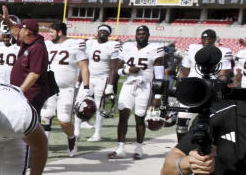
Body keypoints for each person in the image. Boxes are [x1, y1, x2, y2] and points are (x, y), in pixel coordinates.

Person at [110, 25, 163, 160]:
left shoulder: (155, 48)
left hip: (145, 87)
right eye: (139, 33)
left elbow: (159, 75)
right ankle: (120, 148)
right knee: (123, 117)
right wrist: (127, 71)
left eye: (144, 34)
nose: (141, 36)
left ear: (148, 35)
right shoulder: (127, 47)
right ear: (135, 35)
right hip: (128, 85)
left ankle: (139, 149)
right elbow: (117, 70)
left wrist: (158, 96)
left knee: (139, 118)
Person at [42, 22, 89, 156]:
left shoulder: (75, 44)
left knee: (64, 120)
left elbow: (84, 67)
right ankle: (43, 148)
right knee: (45, 117)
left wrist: (86, 87)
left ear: (60, 32)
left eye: (52, 32)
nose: (49, 35)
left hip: (66, 88)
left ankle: (71, 138)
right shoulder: (47, 45)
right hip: (49, 87)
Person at [176, 29, 234, 135]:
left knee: (209, 121)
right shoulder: (192, 48)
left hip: (209, 89)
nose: (207, 41)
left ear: (215, 39)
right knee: (182, 121)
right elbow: (184, 72)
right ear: (201, 39)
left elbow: (223, 76)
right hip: (191, 87)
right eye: (204, 39)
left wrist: (218, 91)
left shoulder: (223, 51)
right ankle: (181, 146)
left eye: (210, 39)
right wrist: (178, 88)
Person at [83, 24, 122, 142]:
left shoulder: (112, 45)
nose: (102, 33)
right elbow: (84, 62)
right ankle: (83, 123)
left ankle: (97, 133)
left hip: (102, 78)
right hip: (90, 76)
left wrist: (110, 85)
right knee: (82, 101)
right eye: (101, 31)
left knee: (100, 106)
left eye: (105, 31)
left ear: (109, 34)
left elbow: (113, 67)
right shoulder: (90, 43)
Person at [7, 15, 50, 114]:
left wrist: (20, 90)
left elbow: (34, 74)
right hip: (24, 94)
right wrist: (6, 21)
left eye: (21, 28)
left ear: (28, 31)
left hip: (31, 95)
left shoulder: (37, 47)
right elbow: (14, 31)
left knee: (29, 124)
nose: (19, 31)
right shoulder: (27, 43)